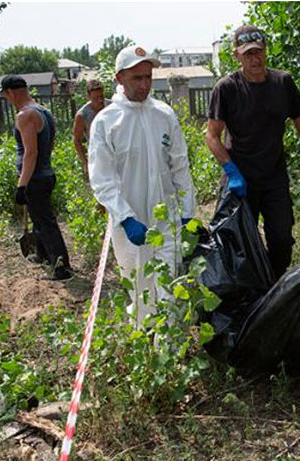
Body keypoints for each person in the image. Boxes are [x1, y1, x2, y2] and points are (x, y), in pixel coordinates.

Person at [205, 25, 300, 278]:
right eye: (248, 53)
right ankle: (252, 292)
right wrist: (231, 171)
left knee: (282, 239)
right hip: (240, 178)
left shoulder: (282, 83)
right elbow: (212, 136)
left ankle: (274, 284)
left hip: (274, 176)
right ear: (237, 55)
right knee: (242, 244)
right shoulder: (227, 88)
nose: (255, 58)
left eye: (258, 52)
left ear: (265, 51)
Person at [88, 46, 196, 319]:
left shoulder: (164, 115)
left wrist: (186, 214)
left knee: (170, 287)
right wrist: (125, 218)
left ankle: (168, 353)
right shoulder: (106, 122)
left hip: (167, 219)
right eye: (137, 78)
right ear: (119, 78)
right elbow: (102, 178)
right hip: (131, 225)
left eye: (148, 77)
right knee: (140, 286)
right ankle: (145, 336)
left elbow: (180, 167)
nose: (145, 84)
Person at [1, 74, 72, 281]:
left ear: (11, 93)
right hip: (46, 174)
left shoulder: (25, 116)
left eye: (6, 96)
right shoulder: (44, 111)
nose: (8, 100)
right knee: (39, 220)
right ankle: (43, 256)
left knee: (46, 223)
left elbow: (30, 153)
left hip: (35, 179)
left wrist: (22, 185)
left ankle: (62, 268)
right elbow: (49, 144)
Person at [73, 79, 105, 178]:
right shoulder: (82, 115)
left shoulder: (111, 106)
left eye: (101, 96)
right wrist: (85, 162)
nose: (100, 100)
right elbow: (77, 140)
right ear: (88, 97)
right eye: (96, 98)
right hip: (97, 156)